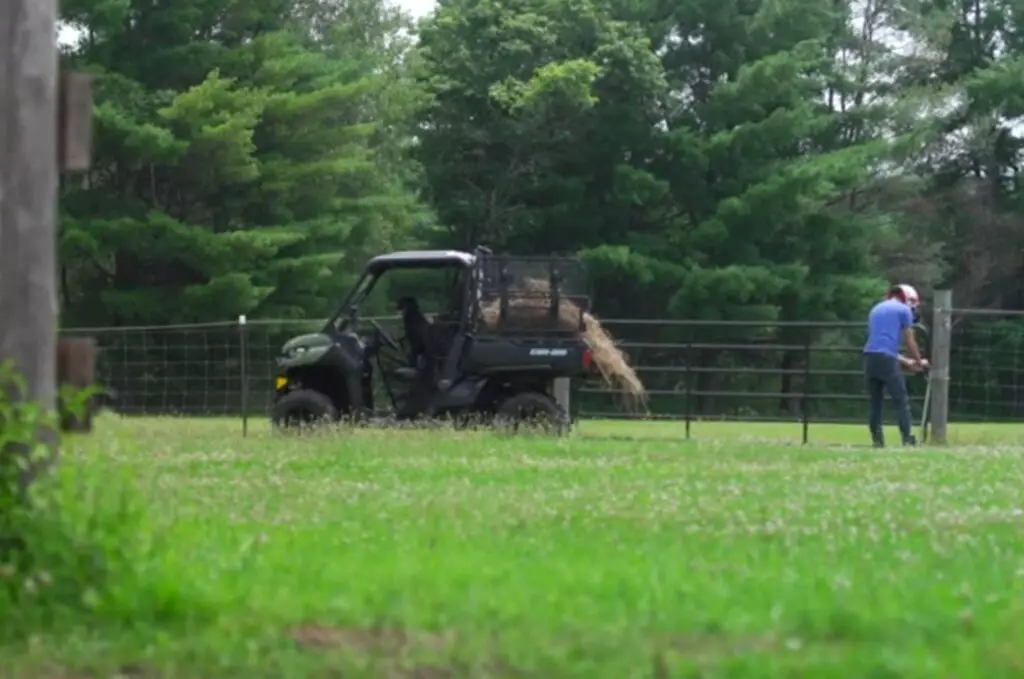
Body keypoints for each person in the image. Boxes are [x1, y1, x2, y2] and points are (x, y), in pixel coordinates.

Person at [863, 284, 929, 447]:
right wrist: (919, 361)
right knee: (900, 400)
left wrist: (906, 362)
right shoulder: (903, 310)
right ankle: (907, 439)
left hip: (870, 357)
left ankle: (877, 441)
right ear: (908, 299)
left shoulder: (876, 309)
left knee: (875, 402)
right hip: (887, 360)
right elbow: (910, 340)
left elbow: (881, 347)